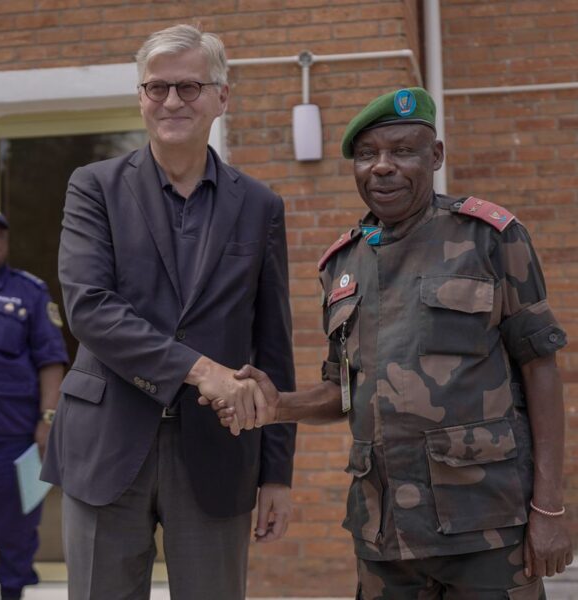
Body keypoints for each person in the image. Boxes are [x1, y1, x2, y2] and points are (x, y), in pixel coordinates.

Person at [207, 88, 574, 599]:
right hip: (384, 535)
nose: (382, 167)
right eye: (367, 154)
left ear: (436, 156)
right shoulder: (341, 265)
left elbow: (541, 370)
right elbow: (341, 390)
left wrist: (550, 508)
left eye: (403, 151)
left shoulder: (490, 238)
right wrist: (276, 406)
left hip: (487, 527)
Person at [40, 23, 296, 600]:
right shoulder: (94, 187)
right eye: (157, 88)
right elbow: (90, 308)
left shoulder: (260, 206)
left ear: (221, 97)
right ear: (140, 96)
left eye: (189, 87)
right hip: (106, 443)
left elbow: (273, 342)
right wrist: (202, 370)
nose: (172, 101)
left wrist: (277, 472)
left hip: (219, 453)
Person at [0, 201, 67, 600]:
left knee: (15, 541)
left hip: (11, 444)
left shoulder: (29, 292)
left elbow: (51, 361)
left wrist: (48, 418)